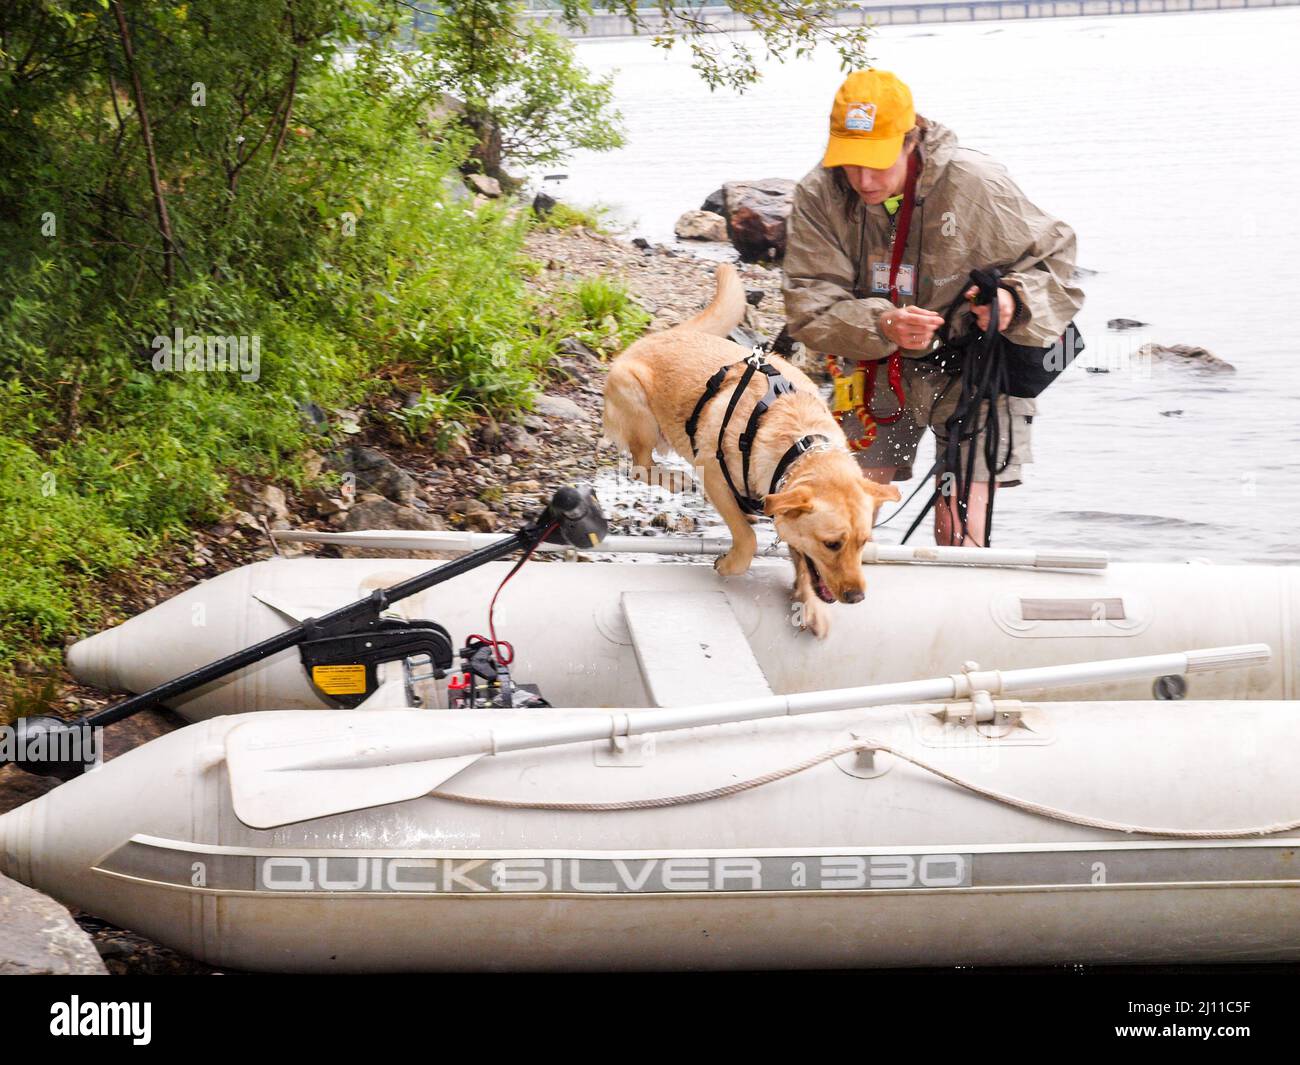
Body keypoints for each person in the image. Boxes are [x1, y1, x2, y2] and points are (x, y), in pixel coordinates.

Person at [782, 70, 1084, 546]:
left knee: (959, 514)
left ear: (911, 142)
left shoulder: (975, 183)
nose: (862, 180)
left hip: (976, 371)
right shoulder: (819, 195)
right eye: (850, 163)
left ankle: (963, 592)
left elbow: (1056, 259)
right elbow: (808, 303)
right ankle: (836, 596)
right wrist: (882, 322)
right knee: (848, 501)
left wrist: (1011, 300)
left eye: (877, 164)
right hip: (877, 365)